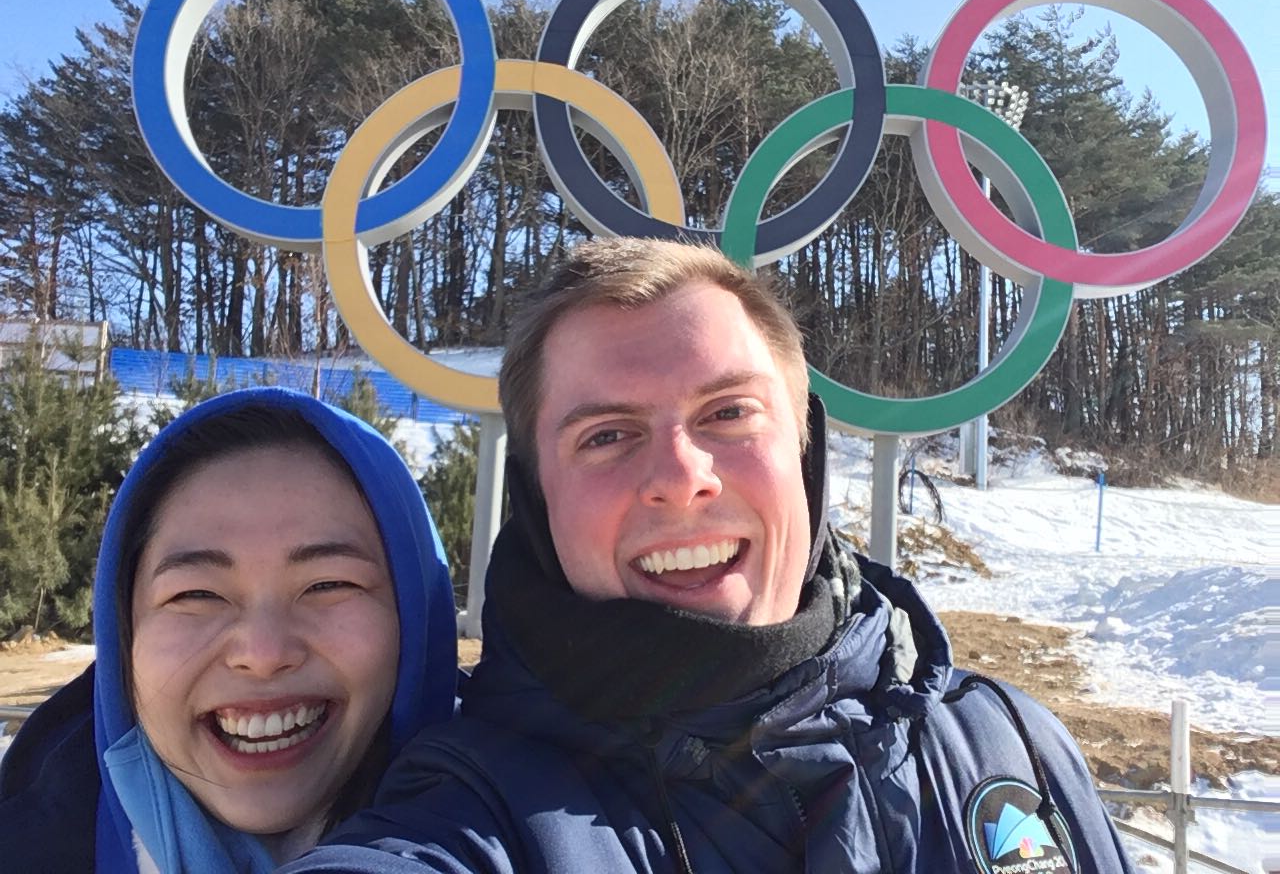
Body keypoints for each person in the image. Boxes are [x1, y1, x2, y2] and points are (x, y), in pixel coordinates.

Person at [285, 238, 1133, 873]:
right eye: (608, 434)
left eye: (729, 414)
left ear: (805, 455)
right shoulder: (470, 805)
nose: (681, 478)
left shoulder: (999, 738)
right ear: (539, 502)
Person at [0, 387, 457, 873]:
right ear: (123, 637)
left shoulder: (521, 831)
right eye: (197, 594)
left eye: (328, 584)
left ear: (414, 620)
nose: (262, 653)